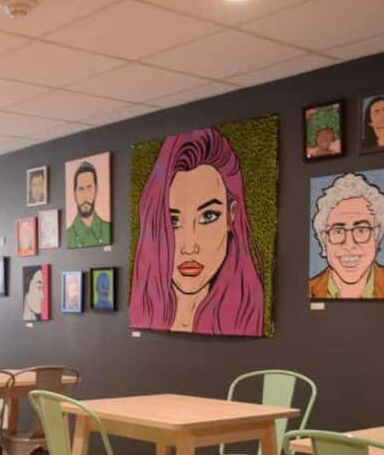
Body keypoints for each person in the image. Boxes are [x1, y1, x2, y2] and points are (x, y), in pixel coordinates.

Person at [129, 127, 264, 336]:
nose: (189, 246)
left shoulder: (247, 312)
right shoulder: (145, 311)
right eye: (172, 220)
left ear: (231, 216)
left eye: (208, 216)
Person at [309, 172, 384, 299]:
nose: (349, 245)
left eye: (361, 230)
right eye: (338, 231)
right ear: (324, 239)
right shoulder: (309, 290)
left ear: (377, 236)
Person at [66, 161, 110, 247]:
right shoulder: (69, 235)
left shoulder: (107, 229)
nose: (85, 196)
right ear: (75, 194)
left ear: (96, 190)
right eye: (81, 189)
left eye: (89, 188)